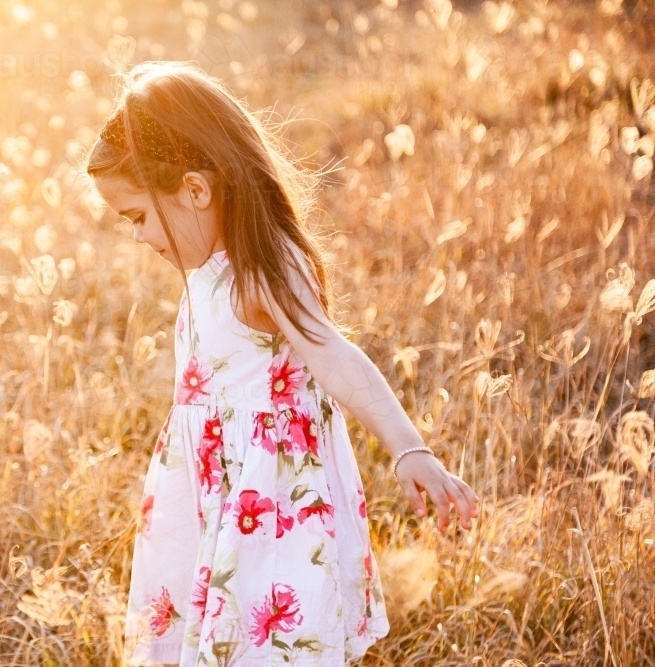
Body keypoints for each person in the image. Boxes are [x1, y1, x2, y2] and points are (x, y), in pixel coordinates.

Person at [85, 61, 479, 667]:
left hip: (267, 507)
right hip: (216, 499)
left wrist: (409, 447)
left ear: (196, 190)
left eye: (138, 216)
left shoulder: (261, 272)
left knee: (267, 647)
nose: (138, 237)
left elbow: (333, 352)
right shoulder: (210, 269)